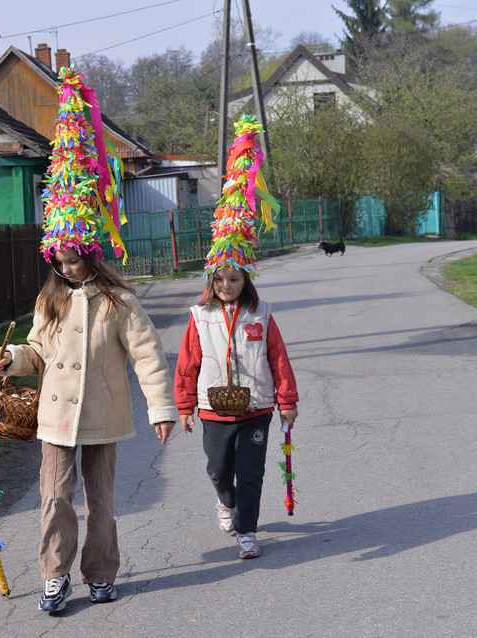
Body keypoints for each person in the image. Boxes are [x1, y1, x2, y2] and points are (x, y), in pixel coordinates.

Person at [0, 66, 178, 614]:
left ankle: (100, 571)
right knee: (54, 499)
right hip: (54, 419)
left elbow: (147, 355)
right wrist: (13, 359)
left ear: (91, 253)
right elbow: (39, 351)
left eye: (76, 259)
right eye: (61, 260)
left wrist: (161, 408)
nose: (69, 268)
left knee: (101, 503)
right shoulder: (49, 300)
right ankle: (54, 573)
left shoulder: (119, 302)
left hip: (102, 419)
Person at [173, 114, 298, 560]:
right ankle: (224, 501)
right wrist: (185, 405)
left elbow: (278, 358)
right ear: (212, 279)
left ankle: (248, 530)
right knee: (218, 469)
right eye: (221, 279)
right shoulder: (200, 314)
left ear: (246, 279)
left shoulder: (261, 313)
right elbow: (187, 362)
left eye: (236, 279)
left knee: (252, 471)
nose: (228, 286)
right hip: (213, 408)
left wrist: (288, 400)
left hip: (257, 405)